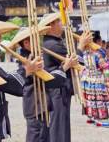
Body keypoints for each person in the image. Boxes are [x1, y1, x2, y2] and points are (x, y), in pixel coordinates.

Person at [38, 13, 91, 142]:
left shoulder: (55, 42)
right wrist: (80, 46)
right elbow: (76, 63)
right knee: (59, 128)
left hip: (60, 90)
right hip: (56, 91)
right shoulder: (52, 44)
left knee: (62, 126)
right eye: (59, 22)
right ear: (51, 25)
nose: (62, 25)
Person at [8, 26, 65, 142]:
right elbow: (49, 80)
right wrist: (64, 68)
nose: (39, 43)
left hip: (40, 106)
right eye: (35, 39)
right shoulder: (28, 60)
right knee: (37, 137)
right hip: (36, 107)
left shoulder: (34, 57)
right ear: (27, 43)